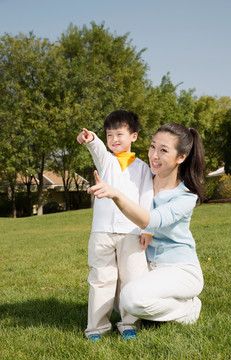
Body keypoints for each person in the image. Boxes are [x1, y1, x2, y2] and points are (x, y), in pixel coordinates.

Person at [88, 122, 205, 327]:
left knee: (131, 299)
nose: (154, 155)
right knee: (117, 303)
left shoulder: (185, 196)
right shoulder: (143, 180)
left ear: (181, 157)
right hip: (147, 266)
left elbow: (151, 221)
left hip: (180, 269)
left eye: (163, 150)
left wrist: (115, 194)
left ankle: (188, 307)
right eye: (152, 147)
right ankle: (160, 303)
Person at [77, 110, 153, 341]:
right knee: (101, 279)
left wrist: (147, 229)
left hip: (131, 232)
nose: (114, 140)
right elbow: (97, 148)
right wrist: (91, 139)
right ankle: (96, 328)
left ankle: (129, 323)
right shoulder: (106, 161)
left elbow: (147, 198)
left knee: (132, 278)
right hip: (101, 232)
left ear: (134, 136)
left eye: (120, 134)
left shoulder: (143, 168)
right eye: (110, 135)